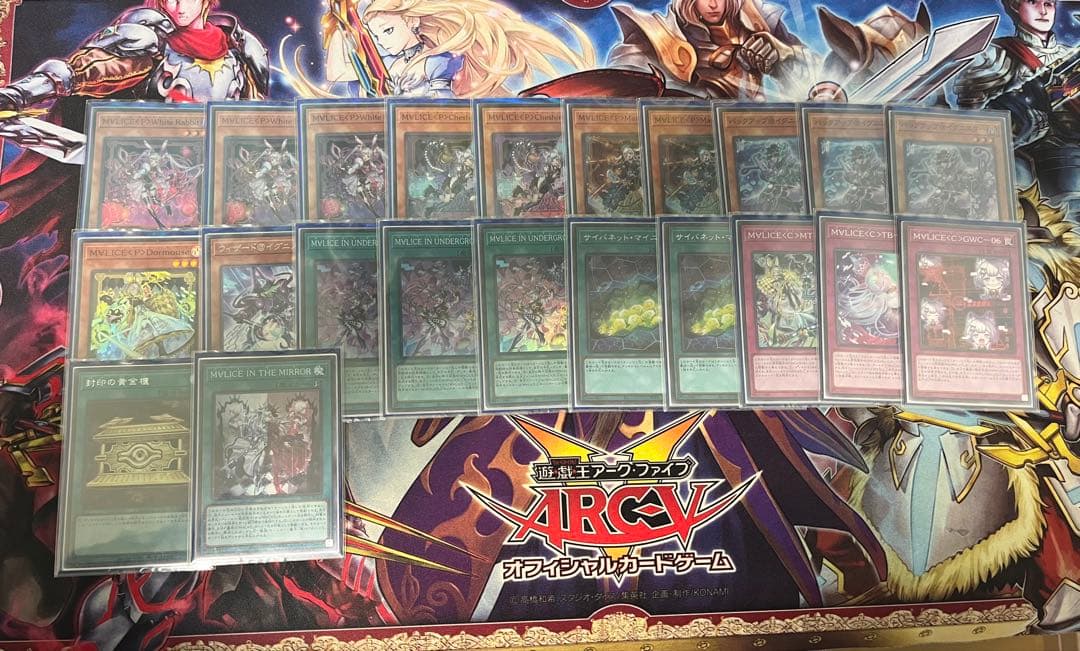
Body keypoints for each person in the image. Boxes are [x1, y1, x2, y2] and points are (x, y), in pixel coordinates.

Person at [0, 0, 268, 110]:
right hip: (156, 163)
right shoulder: (152, 42)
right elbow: (90, 69)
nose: (177, 6)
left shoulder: (239, 52)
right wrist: (19, 94)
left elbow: (251, 115)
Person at [357, 0, 595, 97]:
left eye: (387, 31)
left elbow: (445, 103)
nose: (382, 41)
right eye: (376, 36)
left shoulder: (438, 60)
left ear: (411, 20)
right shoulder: (394, 65)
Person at [607, 0, 816, 99]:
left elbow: (817, 72)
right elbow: (620, 73)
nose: (713, 4)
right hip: (697, 129)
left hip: (753, 123)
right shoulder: (667, 34)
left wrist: (784, 55)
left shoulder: (759, 20)